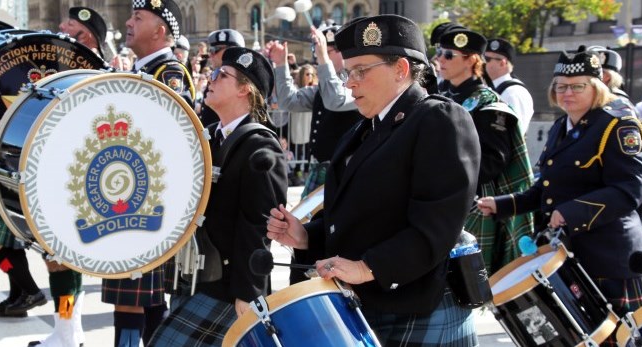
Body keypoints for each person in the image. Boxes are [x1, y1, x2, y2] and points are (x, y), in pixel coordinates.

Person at [266, 15, 481, 346]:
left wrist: (367, 268)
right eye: (348, 72)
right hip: (373, 303)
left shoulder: (438, 118)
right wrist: (307, 235)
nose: (350, 83)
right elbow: (360, 212)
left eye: (360, 71)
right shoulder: (366, 128)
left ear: (401, 69)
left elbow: (437, 225)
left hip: (417, 305)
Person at [477, 49, 642, 344]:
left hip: (609, 256)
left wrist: (572, 212)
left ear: (596, 87)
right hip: (568, 256)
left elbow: (632, 188)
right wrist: (503, 204)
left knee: (620, 339)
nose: (567, 93)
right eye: (560, 86)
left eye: (577, 86)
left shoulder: (618, 125)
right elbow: (548, 190)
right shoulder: (561, 127)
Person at [149, 46, 288, 346]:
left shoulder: (261, 149)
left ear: (245, 91)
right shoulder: (208, 136)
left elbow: (258, 227)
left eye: (222, 75)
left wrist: (249, 292)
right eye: (213, 73)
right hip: (193, 276)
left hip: (226, 287)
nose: (210, 79)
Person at [105, 1, 192, 345]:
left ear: (160, 31)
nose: (128, 22)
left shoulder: (168, 73)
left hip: (146, 201)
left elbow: (169, 135)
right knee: (141, 300)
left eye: (138, 18)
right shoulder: (142, 70)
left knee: (137, 299)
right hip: (129, 195)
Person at [25, 7, 110, 347]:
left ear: (85, 36)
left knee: (65, 259)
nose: (61, 28)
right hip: (58, 172)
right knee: (59, 261)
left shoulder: (96, 72)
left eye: (70, 26)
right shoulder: (68, 69)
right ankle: (68, 329)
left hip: (79, 177)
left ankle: (67, 332)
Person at [267, 25, 364, 283]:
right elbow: (289, 101)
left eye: (333, 50)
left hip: (344, 174)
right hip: (320, 171)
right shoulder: (326, 85)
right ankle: (301, 284)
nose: (325, 53)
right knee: (304, 233)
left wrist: (322, 59)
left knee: (330, 235)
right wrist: (280, 65)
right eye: (324, 49)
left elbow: (335, 99)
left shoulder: (357, 86)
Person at [436, 26, 534, 273]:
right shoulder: (442, 95)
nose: (440, 59)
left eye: (449, 55)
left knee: (468, 281)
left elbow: (494, 160)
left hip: (469, 203)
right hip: (437, 198)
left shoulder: (487, 103)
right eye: (439, 53)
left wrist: (449, 179)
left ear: (471, 60)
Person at [484, 38, 534, 135]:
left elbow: (515, 133)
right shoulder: (489, 87)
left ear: (503, 63)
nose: (482, 63)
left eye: (487, 59)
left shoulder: (514, 93)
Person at [196, 29, 245, 127]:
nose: (210, 54)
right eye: (210, 50)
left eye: (214, 50)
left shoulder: (238, 80)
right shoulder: (215, 76)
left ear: (231, 51)